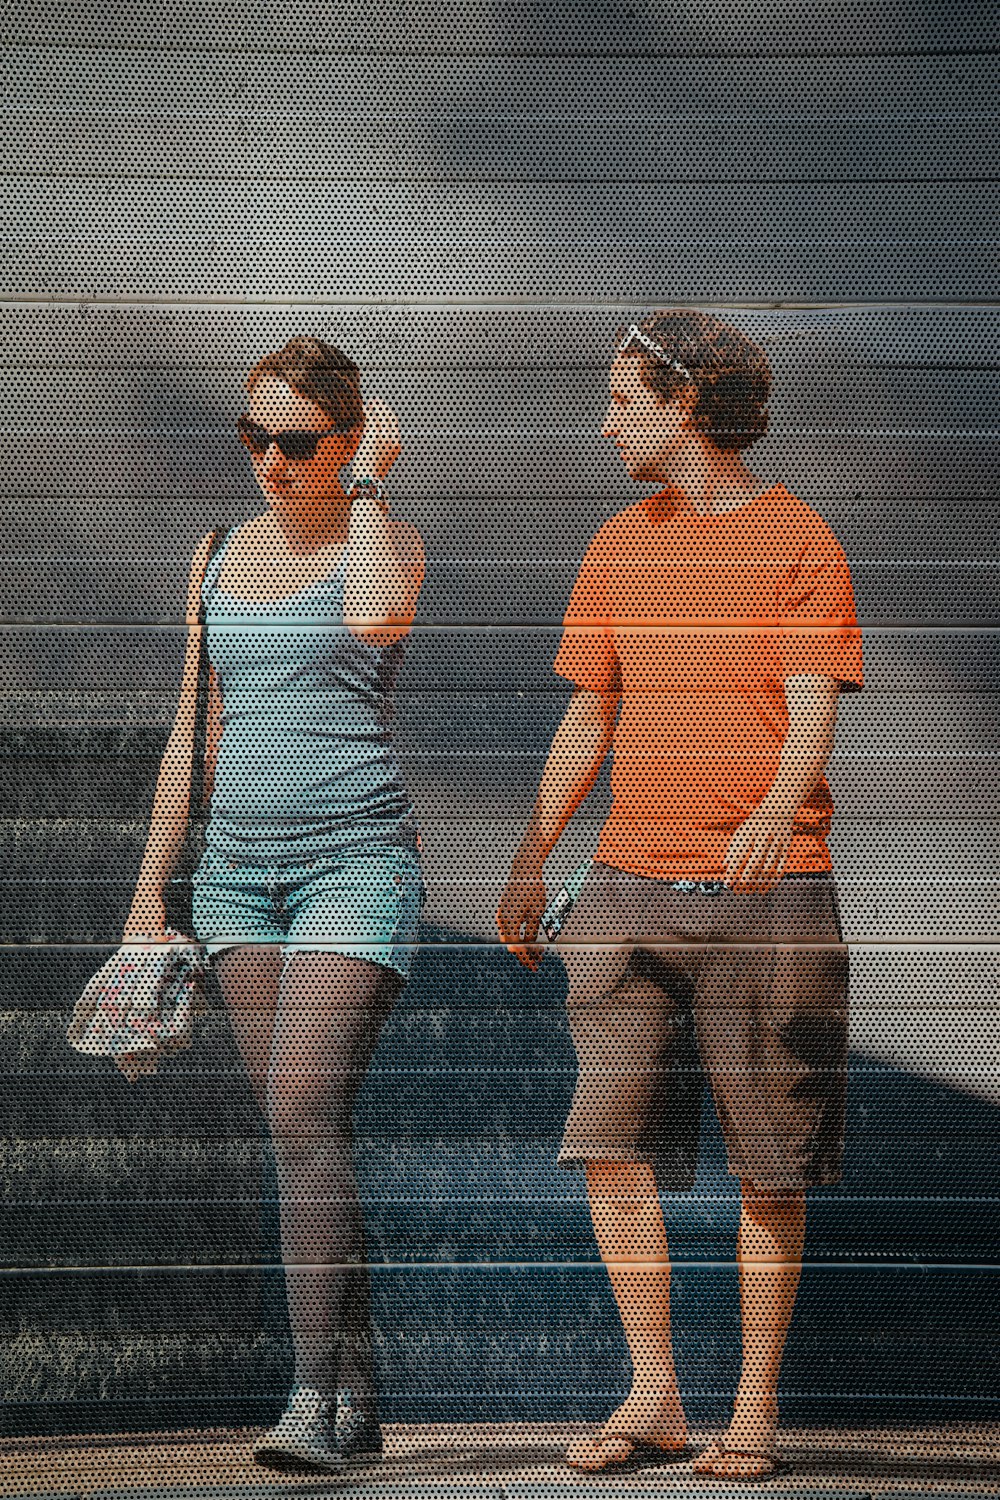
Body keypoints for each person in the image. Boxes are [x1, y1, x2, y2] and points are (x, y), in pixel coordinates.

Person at [497, 309, 863, 1481]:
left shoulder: (799, 536)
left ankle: (751, 1409)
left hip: (770, 895)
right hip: (623, 891)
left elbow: (813, 701)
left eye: (622, 398)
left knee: (771, 1158)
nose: (604, 422)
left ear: (687, 404)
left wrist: (774, 805)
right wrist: (530, 851)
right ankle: (653, 1392)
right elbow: (588, 713)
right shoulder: (616, 543)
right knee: (610, 1143)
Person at [124, 335, 426, 1474]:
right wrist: (153, 890)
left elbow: (383, 620)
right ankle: (353, 1385)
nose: (271, 461)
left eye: (298, 441)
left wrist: (369, 488)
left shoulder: (378, 540)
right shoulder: (213, 553)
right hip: (237, 871)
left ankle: (310, 1396)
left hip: (355, 859)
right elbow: (188, 734)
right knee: (302, 1134)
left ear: (348, 443)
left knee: (302, 1109)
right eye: (254, 437)